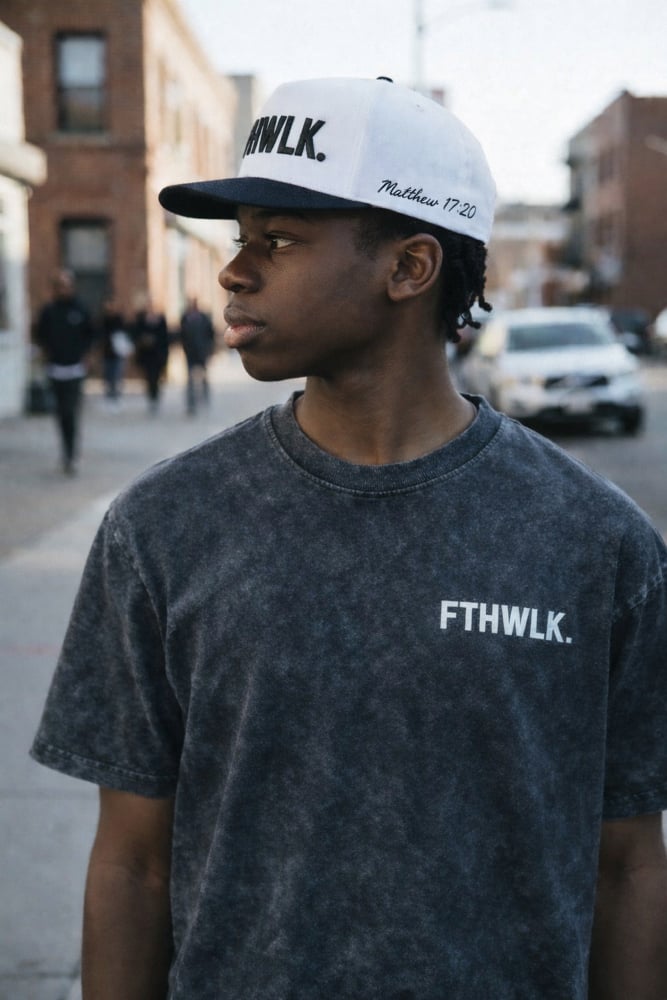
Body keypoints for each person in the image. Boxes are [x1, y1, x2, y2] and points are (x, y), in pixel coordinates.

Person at [30, 78, 667, 999]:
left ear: (409, 268)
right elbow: (133, 865)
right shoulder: (164, 525)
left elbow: (628, 866)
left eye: (280, 239)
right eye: (240, 237)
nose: (234, 270)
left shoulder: (595, 543)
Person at [35, 268, 94, 474]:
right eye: (60, 285)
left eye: (67, 285)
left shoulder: (81, 309)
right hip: (55, 369)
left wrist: (87, 355)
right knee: (60, 412)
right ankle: (66, 450)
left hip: (75, 369)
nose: (63, 289)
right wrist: (44, 353)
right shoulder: (49, 311)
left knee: (71, 411)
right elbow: (40, 335)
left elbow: (91, 334)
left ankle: (72, 453)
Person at [132, 298, 170, 413]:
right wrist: (144, 340)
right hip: (147, 355)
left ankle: (155, 396)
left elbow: (165, 338)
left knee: (156, 377)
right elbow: (136, 334)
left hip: (158, 355)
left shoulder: (161, 320)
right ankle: (151, 397)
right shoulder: (141, 319)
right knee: (149, 377)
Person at [179, 296, 215, 414]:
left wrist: (209, 349)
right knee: (190, 380)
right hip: (190, 353)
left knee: (204, 377)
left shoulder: (204, 317)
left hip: (202, 352)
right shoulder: (185, 318)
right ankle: (191, 403)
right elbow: (182, 335)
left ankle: (205, 398)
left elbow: (210, 334)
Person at [98, 296, 132, 407]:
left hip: (118, 353)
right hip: (106, 353)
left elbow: (125, 335)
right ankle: (109, 396)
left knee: (117, 375)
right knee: (107, 375)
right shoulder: (103, 320)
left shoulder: (119, 320)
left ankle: (116, 396)